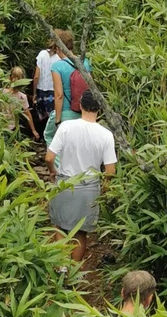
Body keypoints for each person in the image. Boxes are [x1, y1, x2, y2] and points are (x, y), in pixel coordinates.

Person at [45, 89, 117, 263]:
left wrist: (53, 172)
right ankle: (73, 272)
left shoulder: (66, 127)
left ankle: (61, 267)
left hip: (65, 183)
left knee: (60, 228)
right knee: (80, 232)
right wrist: (104, 190)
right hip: (89, 189)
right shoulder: (106, 135)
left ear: (80, 105)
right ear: (99, 108)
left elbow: (49, 157)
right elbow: (110, 171)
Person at [44, 29, 90, 146]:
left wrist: (58, 120)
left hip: (66, 111)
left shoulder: (57, 66)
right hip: (84, 112)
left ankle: (58, 163)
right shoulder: (85, 62)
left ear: (59, 48)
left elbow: (59, 95)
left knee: (49, 136)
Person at [1, 66, 39, 139]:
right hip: (12, 128)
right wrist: (33, 130)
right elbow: (27, 114)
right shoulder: (22, 97)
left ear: (9, 77)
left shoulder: (1, 92)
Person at [32, 39, 55, 139]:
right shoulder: (60, 57)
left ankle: (40, 136)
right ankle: (50, 138)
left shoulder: (42, 54)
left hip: (41, 90)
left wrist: (34, 93)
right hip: (53, 90)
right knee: (52, 116)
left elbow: (36, 76)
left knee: (41, 115)